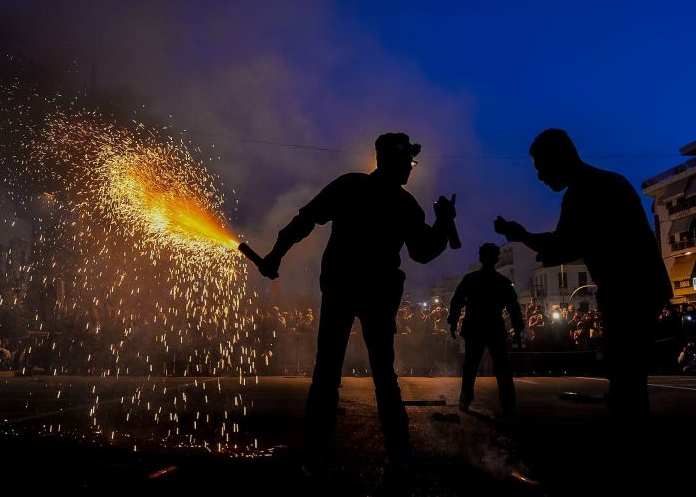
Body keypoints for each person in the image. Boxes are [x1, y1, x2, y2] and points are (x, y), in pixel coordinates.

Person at [256, 132, 457, 472]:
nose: (411, 168)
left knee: (327, 368)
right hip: (377, 293)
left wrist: (276, 255)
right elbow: (424, 253)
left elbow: (304, 221)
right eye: (409, 162)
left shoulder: (350, 186)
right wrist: (443, 221)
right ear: (395, 162)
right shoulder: (404, 204)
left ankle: (316, 448)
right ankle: (398, 449)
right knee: (383, 372)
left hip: (341, 287)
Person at [495, 128, 672, 425]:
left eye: (541, 167)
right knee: (628, 367)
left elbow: (563, 245)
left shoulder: (582, 192)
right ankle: (630, 420)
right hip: (643, 286)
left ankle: (630, 428)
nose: (539, 176)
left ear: (558, 158)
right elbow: (568, 245)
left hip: (627, 290)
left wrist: (522, 235)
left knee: (624, 368)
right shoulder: (609, 182)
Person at [448, 243, 524, 418]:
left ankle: (465, 399)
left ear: (481, 258)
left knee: (471, 366)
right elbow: (514, 308)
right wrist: (518, 330)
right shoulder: (503, 282)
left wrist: (453, 322)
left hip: (474, 327)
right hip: (494, 327)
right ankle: (508, 404)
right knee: (502, 368)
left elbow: (456, 301)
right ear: (497, 259)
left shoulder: (470, 279)